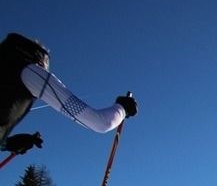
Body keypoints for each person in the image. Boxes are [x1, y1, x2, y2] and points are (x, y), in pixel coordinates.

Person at [0, 32, 137, 158]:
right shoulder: (29, 70)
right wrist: (123, 109)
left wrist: (7, 144)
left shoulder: (6, 63)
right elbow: (101, 123)